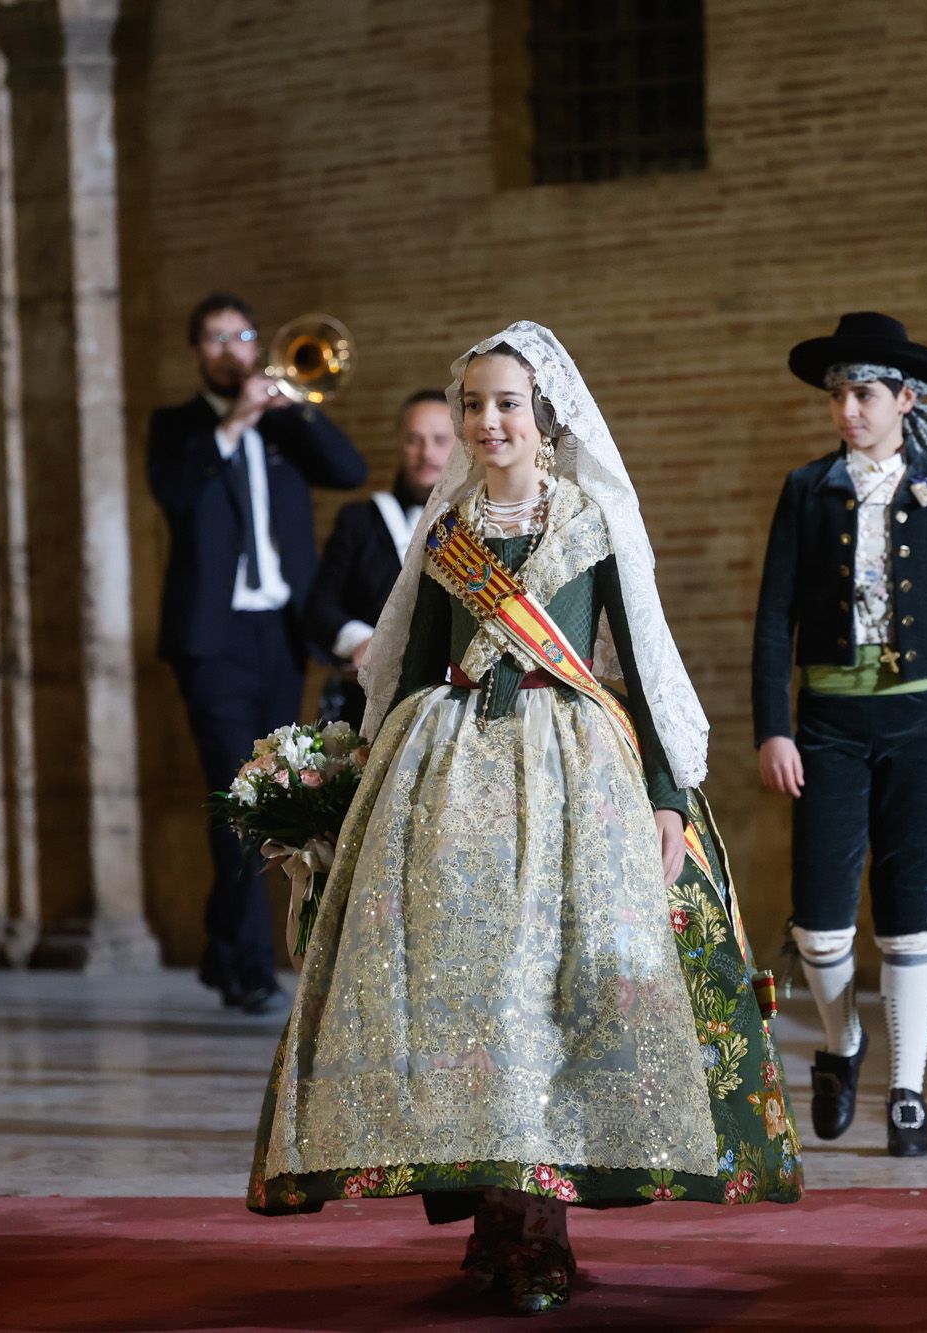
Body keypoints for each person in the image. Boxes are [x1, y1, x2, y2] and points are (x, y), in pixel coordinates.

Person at [249, 323, 801, 1315]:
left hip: (569, 780)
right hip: (447, 775)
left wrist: (666, 803)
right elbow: (411, 667)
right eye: (472, 405)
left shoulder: (590, 519)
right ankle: (493, 1214)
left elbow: (637, 664)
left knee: (552, 996)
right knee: (474, 1006)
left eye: (506, 403)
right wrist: (361, 791)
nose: (486, 420)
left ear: (545, 419)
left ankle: (542, 1222)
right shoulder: (447, 529)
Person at [752, 312, 927, 1158]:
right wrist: (774, 727)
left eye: (862, 393)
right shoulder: (807, 490)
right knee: (821, 926)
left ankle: (907, 1091)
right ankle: (842, 1041)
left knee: (908, 918)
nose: (847, 410)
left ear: (905, 398)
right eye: (837, 396)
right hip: (828, 721)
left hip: (924, 723)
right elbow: (773, 620)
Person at [146, 292, 366, 1013]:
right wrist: (234, 421)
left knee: (270, 796)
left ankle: (225, 945)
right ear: (196, 353)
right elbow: (173, 492)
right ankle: (246, 967)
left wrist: (289, 404)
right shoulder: (177, 428)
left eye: (240, 334)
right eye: (213, 338)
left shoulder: (283, 426)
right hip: (213, 639)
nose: (230, 348)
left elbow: (348, 467)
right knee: (234, 791)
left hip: (279, 633)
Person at [303, 388, 455, 725]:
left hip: (455, 704)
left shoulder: (479, 522)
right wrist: (362, 641)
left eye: (440, 440)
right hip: (371, 701)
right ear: (400, 444)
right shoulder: (360, 520)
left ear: (460, 445)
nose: (426, 452)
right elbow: (320, 605)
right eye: (414, 439)